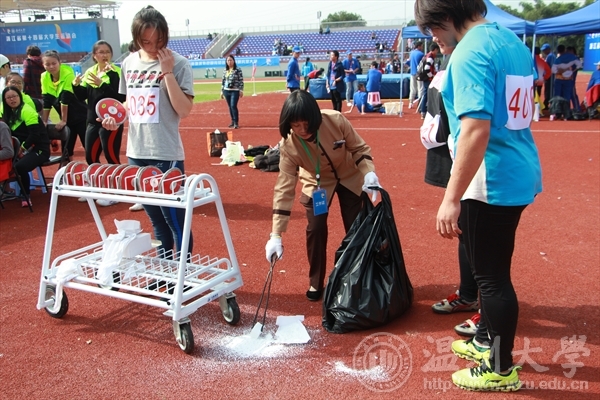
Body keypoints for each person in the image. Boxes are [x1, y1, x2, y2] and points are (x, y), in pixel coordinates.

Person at [415, 0, 542, 392]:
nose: (433, 39)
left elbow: (475, 129)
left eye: (433, 28)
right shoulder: (511, 41)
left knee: (492, 278)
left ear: (447, 16)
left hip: (491, 179)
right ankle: (486, 341)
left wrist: (450, 198)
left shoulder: (469, 51)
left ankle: (500, 369)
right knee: (492, 270)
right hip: (516, 167)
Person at [264, 90, 380, 301]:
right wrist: (276, 234)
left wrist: (369, 173)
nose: (302, 130)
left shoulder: (336, 120)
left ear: (315, 117)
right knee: (315, 228)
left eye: (306, 124)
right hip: (316, 183)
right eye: (296, 125)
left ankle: (359, 276)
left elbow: (359, 147)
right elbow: (284, 187)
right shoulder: (288, 145)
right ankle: (315, 282)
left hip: (349, 174)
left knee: (356, 227)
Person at [101, 5, 195, 258]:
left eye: (159, 41)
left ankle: (182, 273)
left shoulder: (180, 64)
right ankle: (165, 269)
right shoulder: (129, 63)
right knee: (157, 223)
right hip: (136, 153)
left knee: (176, 222)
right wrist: (115, 117)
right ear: (136, 39)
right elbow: (130, 104)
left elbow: (184, 109)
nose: (154, 47)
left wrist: (167, 72)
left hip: (166, 154)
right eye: (146, 42)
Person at [73, 40, 125, 207]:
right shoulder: (90, 72)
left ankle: (117, 191)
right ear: (94, 56)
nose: (104, 55)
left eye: (107, 52)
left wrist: (102, 84)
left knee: (111, 156)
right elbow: (83, 96)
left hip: (111, 121)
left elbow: (120, 97)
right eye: (101, 52)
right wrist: (76, 86)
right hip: (92, 121)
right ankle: (95, 188)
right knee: (91, 156)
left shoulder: (116, 72)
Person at [1, 86, 50, 208]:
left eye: (15, 96)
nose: (12, 99)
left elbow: (35, 135)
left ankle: (25, 194)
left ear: (20, 97)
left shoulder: (27, 111)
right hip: (18, 148)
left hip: (39, 149)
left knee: (20, 166)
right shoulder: (5, 112)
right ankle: (6, 191)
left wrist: (22, 149)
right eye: (8, 98)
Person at [41, 50, 87, 159]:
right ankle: (67, 169)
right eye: (47, 64)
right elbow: (46, 100)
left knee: (89, 148)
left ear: (59, 63)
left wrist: (63, 120)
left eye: (54, 63)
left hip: (81, 117)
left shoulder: (68, 73)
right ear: (43, 65)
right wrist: (44, 121)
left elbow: (65, 99)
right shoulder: (44, 76)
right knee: (66, 151)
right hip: (67, 120)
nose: (51, 66)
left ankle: (95, 168)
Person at [551, 44, 582, 113]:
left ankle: (556, 111)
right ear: (565, 50)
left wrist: (561, 71)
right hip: (569, 79)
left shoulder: (557, 59)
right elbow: (579, 65)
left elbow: (553, 70)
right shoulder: (573, 58)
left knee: (557, 95)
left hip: (559, 79)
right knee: (567, 96)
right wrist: (571, 70)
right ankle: (567, 111)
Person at [220, 55, 244, 128]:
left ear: (234, 61)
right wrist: (221, 91)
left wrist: (241, 90)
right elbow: (223, 81)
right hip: (226, 90)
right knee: (230, 106)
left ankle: (236, 122)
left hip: (235, 90)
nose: (229, 62)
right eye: (228, 60)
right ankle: (232, 121)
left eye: (231, 60)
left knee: (233, 105)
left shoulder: (237, 70)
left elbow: (241, 80)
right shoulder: (225, 70)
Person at [419, 43, 440, 119]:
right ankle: (423, 111)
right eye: (437, 50)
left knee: (425, 94)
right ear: (435, 49)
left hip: (425, 77)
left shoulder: (426, 55)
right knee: (427, 94)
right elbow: (427, 68)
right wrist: (432, 76)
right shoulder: (430, 57)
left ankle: (423, 110)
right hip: (427, 78)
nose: (437, 52)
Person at [408, 41, 424, 109]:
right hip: (419, 73)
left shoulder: (411, 53)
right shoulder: (421, 54)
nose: (422, 47)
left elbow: (408, 62)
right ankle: (420, 104)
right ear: (419, 46)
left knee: (412, 89)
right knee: (420, 89)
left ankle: (410, 103)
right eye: (421, 46)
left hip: (412, 73)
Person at [541, 43, 555, 109]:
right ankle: (547, 103)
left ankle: (547, 103)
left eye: (545, 50)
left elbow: (551, 67)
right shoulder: (549, 56)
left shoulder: (550, 56)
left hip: (550, 76)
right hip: (549, 75)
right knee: (548, 90)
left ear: (549, 49)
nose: (544, 51)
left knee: (548, 90)